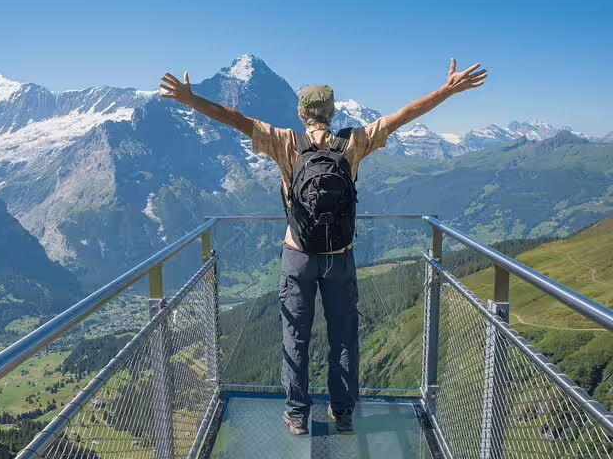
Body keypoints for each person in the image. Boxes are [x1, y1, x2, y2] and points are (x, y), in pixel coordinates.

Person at [159, 59, 487, 434]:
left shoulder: (286, 142)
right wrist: (447, 91)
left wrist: (190, 99)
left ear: (302, 114)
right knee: (343, 337)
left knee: (295, 337)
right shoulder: (353, 142)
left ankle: (297, 415)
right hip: (339, 257)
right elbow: (404, 115)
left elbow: (233, 117)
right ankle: (342, 412)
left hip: (297, 255)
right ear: (332, 113)